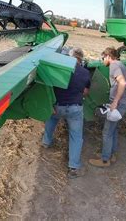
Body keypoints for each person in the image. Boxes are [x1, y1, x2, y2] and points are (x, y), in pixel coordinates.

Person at [42, 47, 91, 179]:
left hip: (58, 106)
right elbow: (86, 91)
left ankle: (46, 142)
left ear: (70, 56)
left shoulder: (61, 68)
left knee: (51, 120)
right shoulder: (86, 73)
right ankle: (73, 167)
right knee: (76, 136)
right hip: (75, 109)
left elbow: (51, 86)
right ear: (81, 59)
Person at [89, 47, 126, 167]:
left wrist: (116, 101)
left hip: (118, 105)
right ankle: (111, 154)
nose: (103, 60)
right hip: (123, 104)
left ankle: (105, 160)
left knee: (107, 132)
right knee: (113, 130)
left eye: (103, 58)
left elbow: (123, 83)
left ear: (109, 56)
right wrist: (124, 97)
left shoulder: (114, 66)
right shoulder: (122, 65)